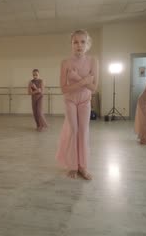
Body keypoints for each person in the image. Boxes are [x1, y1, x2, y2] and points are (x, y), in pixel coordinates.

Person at [56, 30, 98, 180]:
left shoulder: (93, 61)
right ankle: (73, 166)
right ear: (71, 44)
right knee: (74, 131)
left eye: (82, 42)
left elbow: (94, 88)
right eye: (75, 42)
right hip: (70, 100)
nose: (79, 45)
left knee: (83, 131)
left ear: (88, 44)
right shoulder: (65, 63)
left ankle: (83, 166)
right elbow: (63, 89)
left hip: (85, 101)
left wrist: (76, 78)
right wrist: (84, 81)